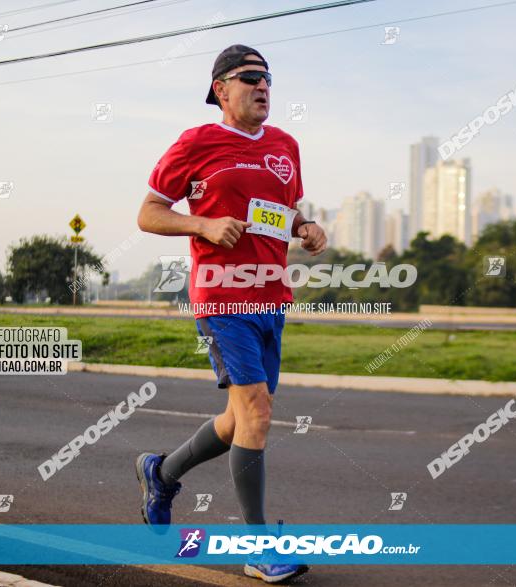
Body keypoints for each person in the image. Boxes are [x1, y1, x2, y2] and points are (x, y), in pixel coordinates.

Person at [135, 44, 327, 583]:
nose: (262, 86)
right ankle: (258, 545)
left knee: (241, 419)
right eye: (250, 78)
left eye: (268, 79)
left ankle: (162, 472)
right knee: (259, 415)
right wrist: (203, 225)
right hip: (223, 299)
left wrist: (305, 228)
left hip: (271, 299)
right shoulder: (196, 143)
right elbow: (149, 214)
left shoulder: (286, 146)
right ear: (220, 89)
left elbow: (283, 213)